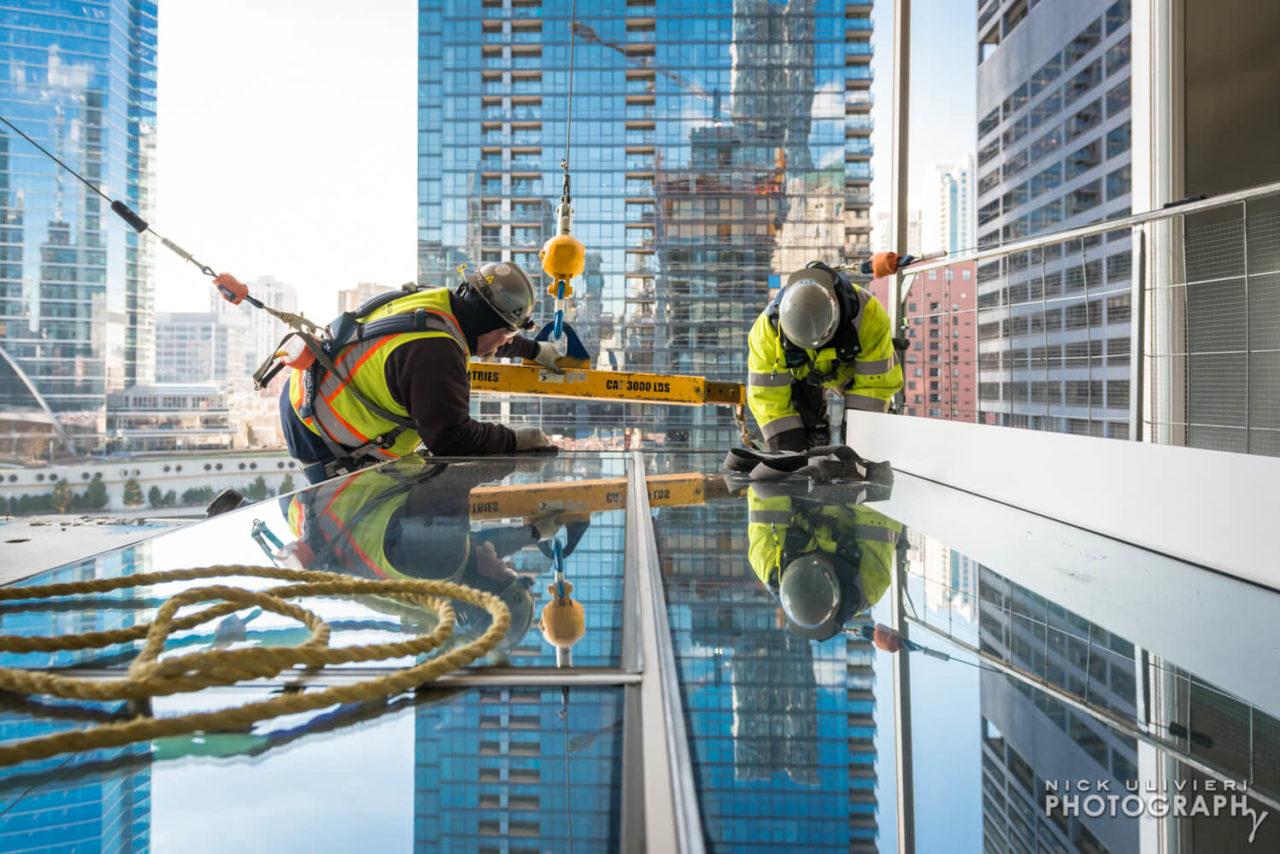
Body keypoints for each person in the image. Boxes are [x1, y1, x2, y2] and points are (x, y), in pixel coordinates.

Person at [280, 261, 566, 483]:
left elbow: (482, 335)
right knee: (354, 520)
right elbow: (451, 439)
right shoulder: (436, 355)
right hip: (319, 426)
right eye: (507, 335)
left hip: (313, 386)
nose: (505, 342)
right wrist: (514, 441)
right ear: (496, 327)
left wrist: (534, 351)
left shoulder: (440, 303)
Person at [278, 455, 569, 655]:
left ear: (487, 587)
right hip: (311, 514)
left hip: (331, 488)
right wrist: (533, 534)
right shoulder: (438, 587)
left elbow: (448, 481)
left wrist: (514, 460)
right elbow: (479, 546)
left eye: (509, 573)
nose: (508, 564)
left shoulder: (442, 558)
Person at [746, 254, 906, 451]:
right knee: (805, 438)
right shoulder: (766, 334)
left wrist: (861, 446)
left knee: (870, 437)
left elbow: (874, 389)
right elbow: (769, 399)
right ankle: (814, 440)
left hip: (852, 371)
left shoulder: (868, 317)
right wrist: (788, 450)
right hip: (803, 378)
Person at [745, 483, 906, 641]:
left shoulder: (767, 559)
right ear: (836, 582)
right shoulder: (868, 584)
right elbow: (879, 504)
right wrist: (839, 483)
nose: (816, 556)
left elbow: (767, 488)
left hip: (801, 479)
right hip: (853, 487)